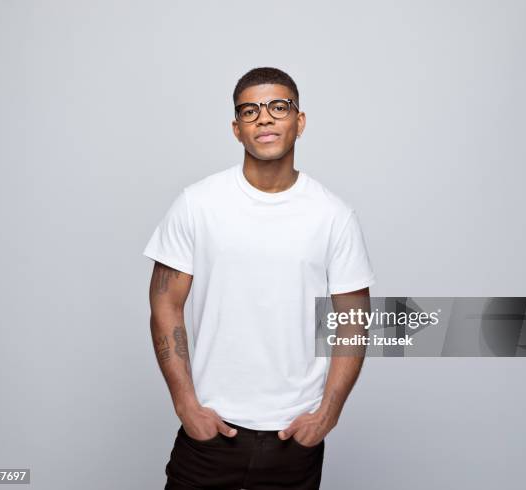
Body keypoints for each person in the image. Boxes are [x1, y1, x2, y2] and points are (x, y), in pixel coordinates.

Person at [143, 66, 376, 489]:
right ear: (236, 129)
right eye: (250, 111)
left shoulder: (334, 217)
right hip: (211, 434)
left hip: (294, 439)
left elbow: (354, 318)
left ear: (299, 121)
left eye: (278, 107)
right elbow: (165, 303)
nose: (264, 118)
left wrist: (329, 412)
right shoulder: (198, 205)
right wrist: (184, 404)